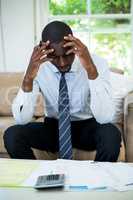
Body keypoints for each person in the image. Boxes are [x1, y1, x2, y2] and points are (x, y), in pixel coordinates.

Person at [3, 21, 121, 161]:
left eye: (66, 55)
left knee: (111, 134)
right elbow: (22, 120)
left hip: (86, 127)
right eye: (55, 57)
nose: (62, 63)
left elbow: (105, 118)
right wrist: (28, 77)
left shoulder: (96, 62)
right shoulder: (37, 66)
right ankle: (36, 177)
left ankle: (100, 179)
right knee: (12, 134)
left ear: (73, 44)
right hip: (53, 128)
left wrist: (90, 69)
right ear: (44, 49)